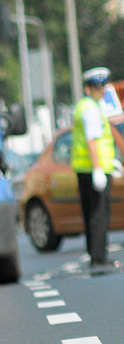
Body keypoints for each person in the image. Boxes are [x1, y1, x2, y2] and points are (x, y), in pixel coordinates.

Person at [72, 67, 116, 270]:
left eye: (103, 86)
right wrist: (99, 169)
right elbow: (92, 141)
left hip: (85, 168)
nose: (102, 90)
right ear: (88, 89)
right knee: (99, 213)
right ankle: (99, 256)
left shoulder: (86, 106)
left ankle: (94, 254)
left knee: (91, 212)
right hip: (93, 169)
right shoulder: (90, 109)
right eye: (98, 87)